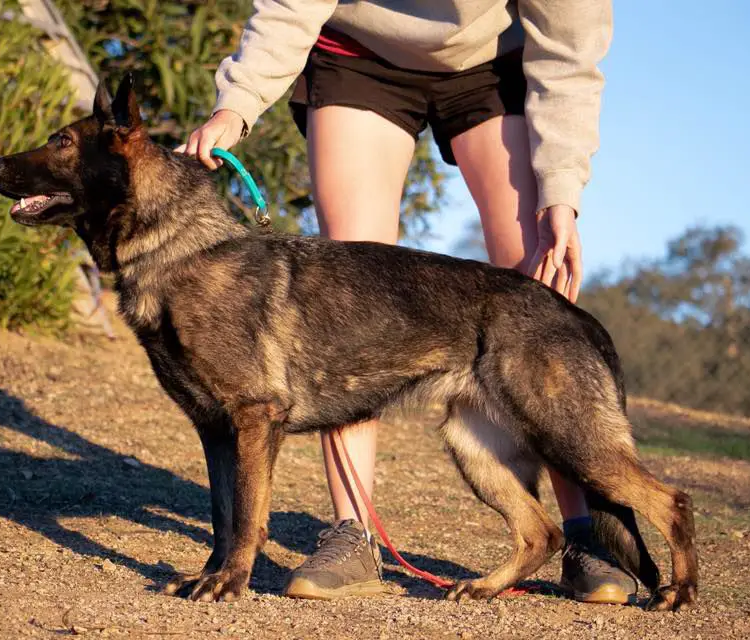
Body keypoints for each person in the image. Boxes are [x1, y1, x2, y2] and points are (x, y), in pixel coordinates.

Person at [180, 0, 634, 605]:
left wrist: (562, 192)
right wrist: (235, 106)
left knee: (536, 277)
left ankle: (586, 535)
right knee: (342, 301)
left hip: (492, 60)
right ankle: (352, 533)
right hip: (360, 57)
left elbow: (570, 50)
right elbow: (292, 8)